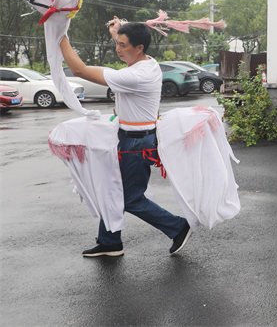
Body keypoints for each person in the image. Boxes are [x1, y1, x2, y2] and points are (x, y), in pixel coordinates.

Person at [59, 19, 191, 256]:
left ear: (139, 47)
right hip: (130, 138)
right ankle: (109, 242)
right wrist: (117, 33)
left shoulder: (137, 75)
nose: (118, 49)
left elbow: (79, 70)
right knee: (111, 189)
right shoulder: (146, 63)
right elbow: (128, 50)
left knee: (130, 198)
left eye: (122, 45)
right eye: (117, 44)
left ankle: (178, 226)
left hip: (136, 143)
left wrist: (59, 36)